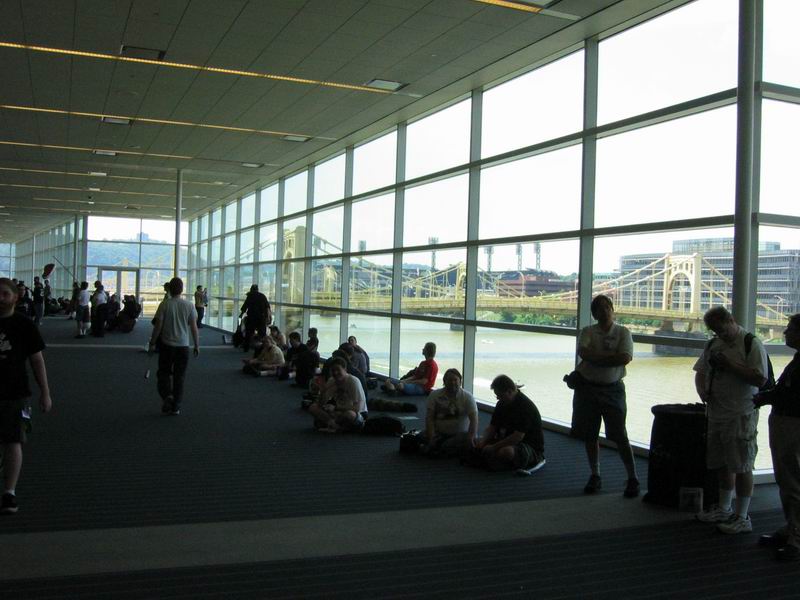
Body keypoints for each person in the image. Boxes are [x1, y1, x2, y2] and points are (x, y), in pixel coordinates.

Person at [694, 306, 768, 534]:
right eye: (715, 331)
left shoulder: (751, 343)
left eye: (722, 329)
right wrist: (702, 391)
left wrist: (729, 365)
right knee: (722, 463)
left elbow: (760, 379)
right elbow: (701, 371)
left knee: (742, 465)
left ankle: (742, 516)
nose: (720, 334)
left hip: (740, 414)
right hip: (716, 413)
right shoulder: (713, 344)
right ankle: (724, 508)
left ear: (731, 320)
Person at [571, 294, 639, 497]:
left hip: (613, 390)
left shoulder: (623, 332)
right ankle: (595, 475)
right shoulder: (587, 331)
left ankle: (633, 478)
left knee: (620, 436)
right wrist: (611, 357)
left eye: (607, 307)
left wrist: (596, 358)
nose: (604, 311)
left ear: (612, 309)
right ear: (594, 313)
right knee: (590, 434)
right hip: (587, 389)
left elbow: (625, 358)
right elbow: (583, 353)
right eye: (600, 308)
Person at [0, 278, 52, 514]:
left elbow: (37, 360)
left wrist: (45, 393)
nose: (1, 298)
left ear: (15, 297)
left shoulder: (24, 325)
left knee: (13, 441)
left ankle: (9, 492)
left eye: (5, 294)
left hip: (15, 391)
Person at [754, 313, 800, 560]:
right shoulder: (798, 359)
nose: (785, 332)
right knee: (787, 479)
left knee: (792, 479)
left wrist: (765, 397)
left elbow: (791, 395)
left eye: (790, 329)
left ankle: (796, 538)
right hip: (787, 422)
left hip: (792, 424)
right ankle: (792, 526)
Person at [148, 277, 199, 416]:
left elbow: (158, 326)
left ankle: (167, 396)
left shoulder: (165, 304)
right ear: (182, 289)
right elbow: (194, 328)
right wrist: (196, 345)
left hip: (167, 345)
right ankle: (176, 407)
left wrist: (152, 342)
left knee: (163, 373)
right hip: (183, 346)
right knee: (179, 377)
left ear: (169, 289)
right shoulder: (189, 305)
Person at [474, 375, 545, 474]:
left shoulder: (525, 407)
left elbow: (517, 437)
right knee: (475, 441)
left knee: (506, 452)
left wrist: (494, 447)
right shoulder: (501, 403)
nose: (498, 398)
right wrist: (482, 442)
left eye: (500, 395)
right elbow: (492, 427)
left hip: (529, 446)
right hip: (506, 439)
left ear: (510, 391)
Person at [423, 368, 478, 456]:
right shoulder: (434, 395)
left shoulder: (468, 397)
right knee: (417, 437)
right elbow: (429, 418)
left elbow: (474, 420)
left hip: (460, 434)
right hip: (439, 433)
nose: (452, 382)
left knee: (447, 445)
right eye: (449, 380)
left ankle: (439, 448)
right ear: (444, 381)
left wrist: (471, 437)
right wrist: (431, 436)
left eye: (455, 380)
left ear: (460, 381)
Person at [308, 357, 368, 433]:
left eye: (338, 370)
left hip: (357, 413)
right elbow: (320, 404)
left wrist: (336, 408)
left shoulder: (353, 381)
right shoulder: (331, 381)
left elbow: (357, 408)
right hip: (338, 413)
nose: (335, 373)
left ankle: (333, 425)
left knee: (349, 414)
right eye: (333, 370)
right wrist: (322, 391)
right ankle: (335, 426)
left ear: (345, 369)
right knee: (313, 407)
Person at [239, 285, 270, 351]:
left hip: (252, 317)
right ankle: (263, 348)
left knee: (249, 332)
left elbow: (245, 306)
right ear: (257, 289)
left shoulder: (250, 296)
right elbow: (267, 307)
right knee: (262, 333)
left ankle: (246, 347)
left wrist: (241, 314)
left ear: (251, 289)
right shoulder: (262, 296)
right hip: (261, 317)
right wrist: (268, 317)